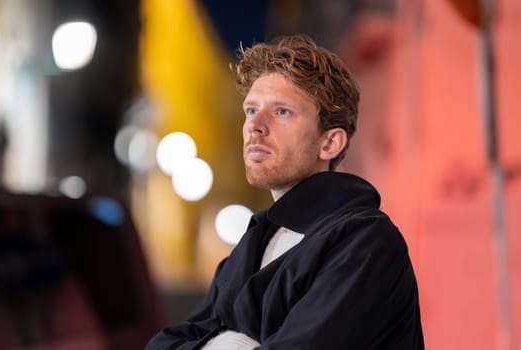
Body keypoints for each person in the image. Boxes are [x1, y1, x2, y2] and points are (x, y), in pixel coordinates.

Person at [146, 33, 424, 350]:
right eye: (251, 110)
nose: (255, 126)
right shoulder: (255, 241)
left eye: (282, 112)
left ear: (330, 143)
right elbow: (163, 344)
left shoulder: (366, 242)